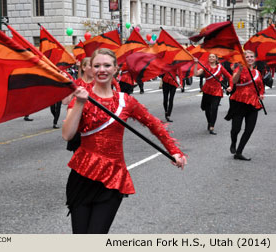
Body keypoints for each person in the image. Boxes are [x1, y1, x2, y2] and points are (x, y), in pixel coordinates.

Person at [62, 48, 186, 234]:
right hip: (82, 176)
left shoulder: (125, 101)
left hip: (113, 177)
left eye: (106, 65)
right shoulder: (81, 97)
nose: (101, 69)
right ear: (90, 69)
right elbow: (68, 135)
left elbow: (155, 125)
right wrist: (79, 103)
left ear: (115, 69)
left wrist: (174, 151)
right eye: (97, 66)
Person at [225, 50, 265, 161]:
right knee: (236, 129)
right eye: (247, 57)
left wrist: (261, 94)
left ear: (255, 58)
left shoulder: (257, 73)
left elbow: (260, 86)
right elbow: (234, 81)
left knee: (249, 129)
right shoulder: (239, 69)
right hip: (239, 103)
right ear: (244, 59)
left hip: (253, 104)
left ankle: (239, 152)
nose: (250, 58)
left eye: (252, 56)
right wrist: (240, 70)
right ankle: (233, 142)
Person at [194, 54, 232, 135]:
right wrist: (196, 64)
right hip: (207, 90)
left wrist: (230, 86)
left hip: (217, 90)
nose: (211, 58)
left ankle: (212, 126)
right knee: (206, 108)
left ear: (216, 59)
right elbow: (196, 74)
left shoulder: (220, 67)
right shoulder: (205, 66)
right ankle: (209, 121)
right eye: (210, 56)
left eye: (213, 57)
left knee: (214, 108)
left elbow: (229, 76)